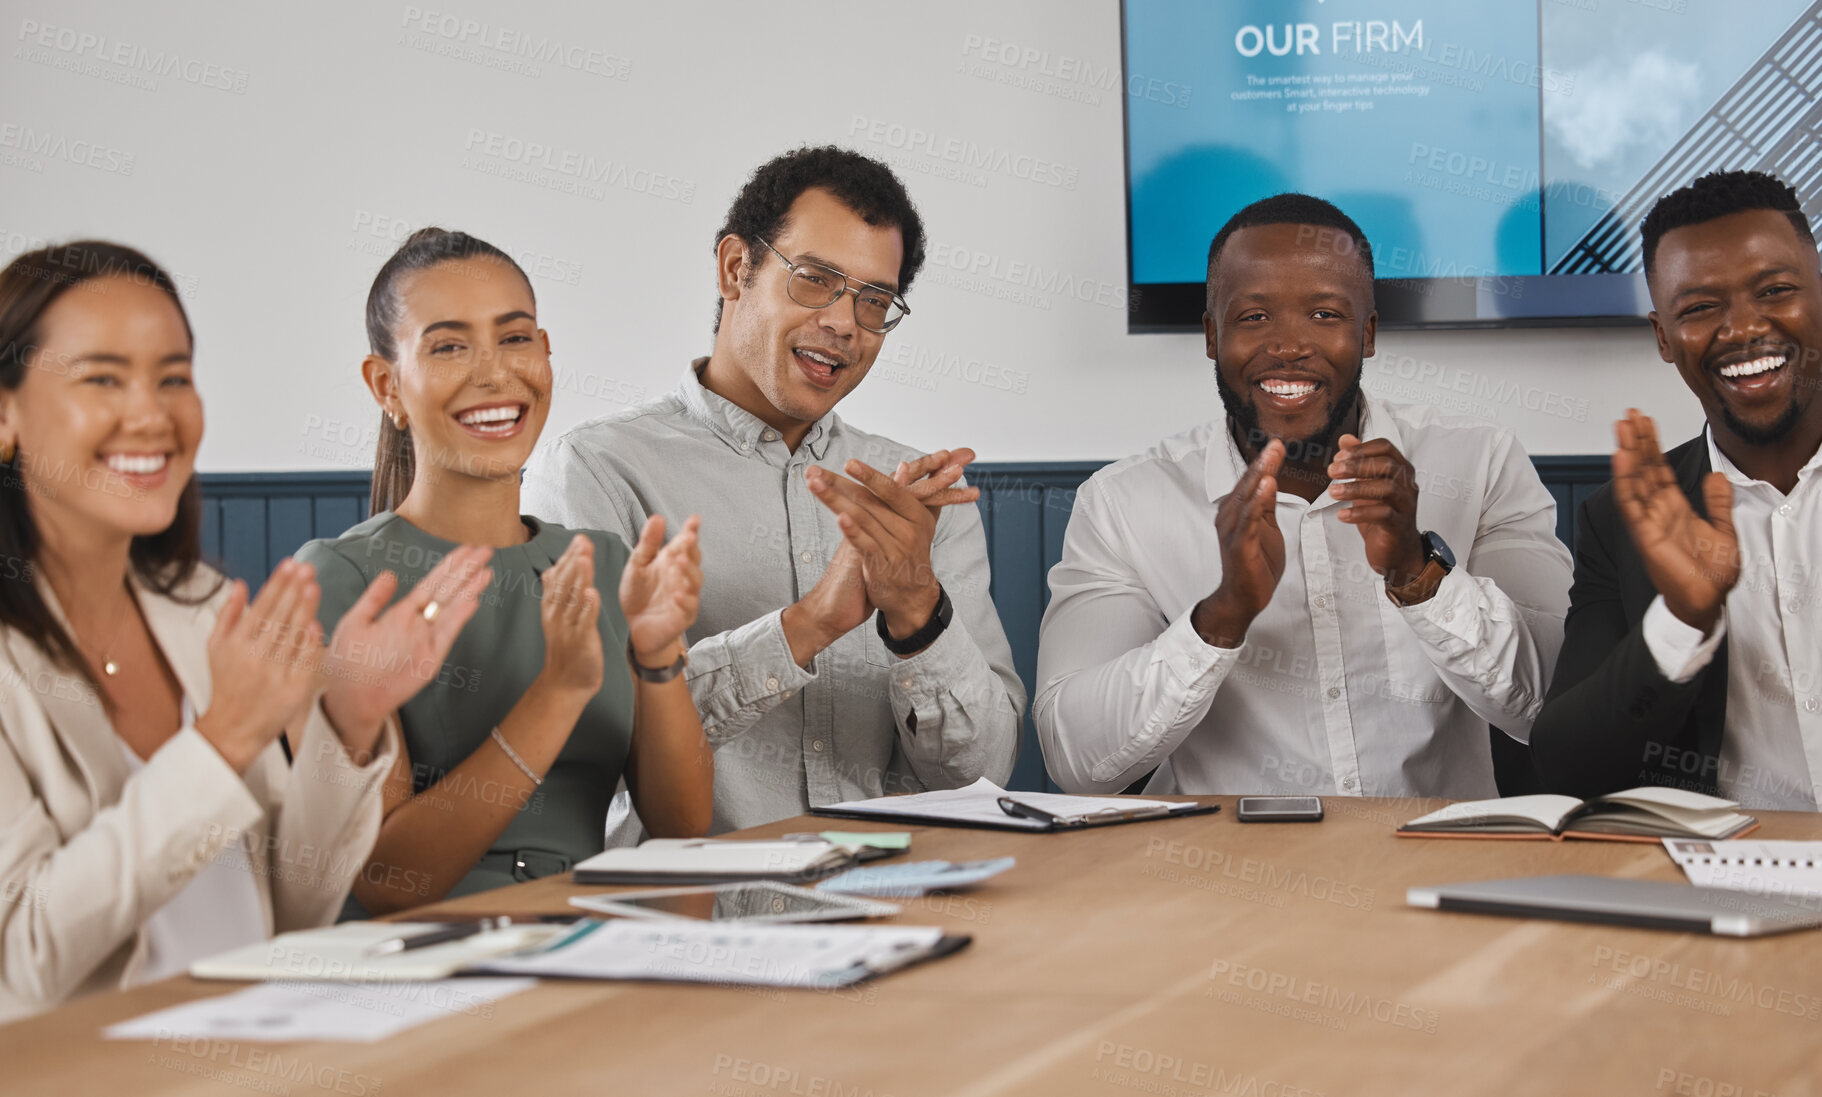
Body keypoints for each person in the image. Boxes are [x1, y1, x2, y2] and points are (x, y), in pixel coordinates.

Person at [0, 241, 483, 1021]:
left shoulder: (198, 606)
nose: (152, 413)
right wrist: (220, 740)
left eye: (173, 377)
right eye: (102, 378)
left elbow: (292, 908)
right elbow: (24, 964)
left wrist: (350, 723)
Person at [523, 146, 1023, 834]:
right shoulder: (596, 470)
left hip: (902, 915)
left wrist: (918, 613)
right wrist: (807, 624)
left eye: (875, 300)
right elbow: (586, 746)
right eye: (815, 278)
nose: (846, 323)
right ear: (736, 268)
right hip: (692, 925)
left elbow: (986, 775)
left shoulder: (919, 498)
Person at [1036, 194, 1572, 797]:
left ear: (1367, 334)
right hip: (1223, 876)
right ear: (1211, 336)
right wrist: (1221, 617)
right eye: (1254, 318)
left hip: (1433, 868)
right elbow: (1075, 759)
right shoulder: (1122, 504)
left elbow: (1550, 708)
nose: (1289, 346)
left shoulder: (1481, 464)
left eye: (1324, 314)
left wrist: (1418, 574)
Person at [298, 228, 712, 913]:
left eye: (515, 338)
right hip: (420, 963)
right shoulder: (340, 580)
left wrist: (657, 653)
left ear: (546, 354)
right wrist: (556, 694)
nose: (494, 373)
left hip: (589, 938)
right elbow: (387, 880)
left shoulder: (604, 565)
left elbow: (682, 823)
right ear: (386, 384)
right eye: (449, 345)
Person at [1531, 170, 1822, 809]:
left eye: (1774, 290)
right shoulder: (1621, 520)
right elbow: (1565, 767)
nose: (1743, 328)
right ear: (1664, 337)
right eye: (1699, 308)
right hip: (1731, 883)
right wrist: (1684, 619)